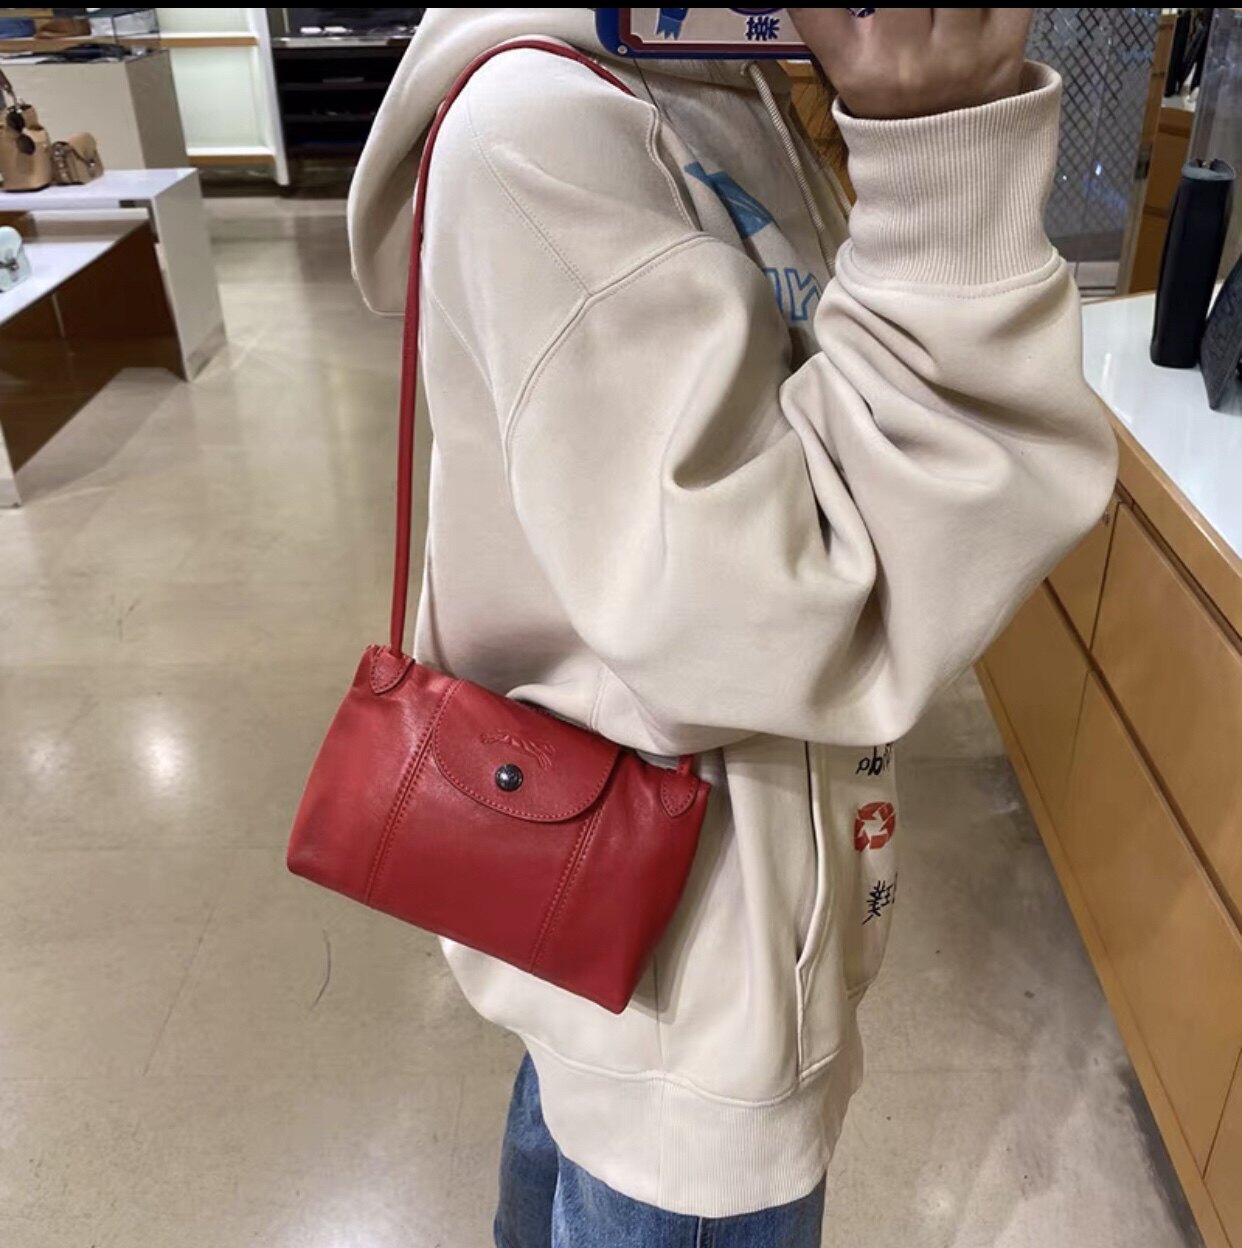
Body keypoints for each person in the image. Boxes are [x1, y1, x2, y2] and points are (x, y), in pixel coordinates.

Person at [348, 8, 1117, 1245]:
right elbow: (796, 619)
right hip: (698, 972)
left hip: (660, 925)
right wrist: (943, 155)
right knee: (630, 1145)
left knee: (577, 1117)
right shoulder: (549, 129)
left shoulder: (702, 84)